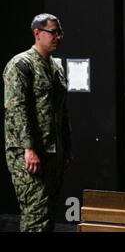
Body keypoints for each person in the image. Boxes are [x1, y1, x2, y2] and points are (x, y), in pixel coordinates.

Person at [3, 13, 72, 231]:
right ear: (37, 33)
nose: (58, 37)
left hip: (54, 153)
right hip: (30, 154)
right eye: (53, 32)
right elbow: (16, 110)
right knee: (36, 216)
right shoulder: (21, 65)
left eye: (60, 32)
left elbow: (62, 112)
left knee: (48, 213)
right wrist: (28, 148)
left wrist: (66, 148)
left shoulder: (56, 68)